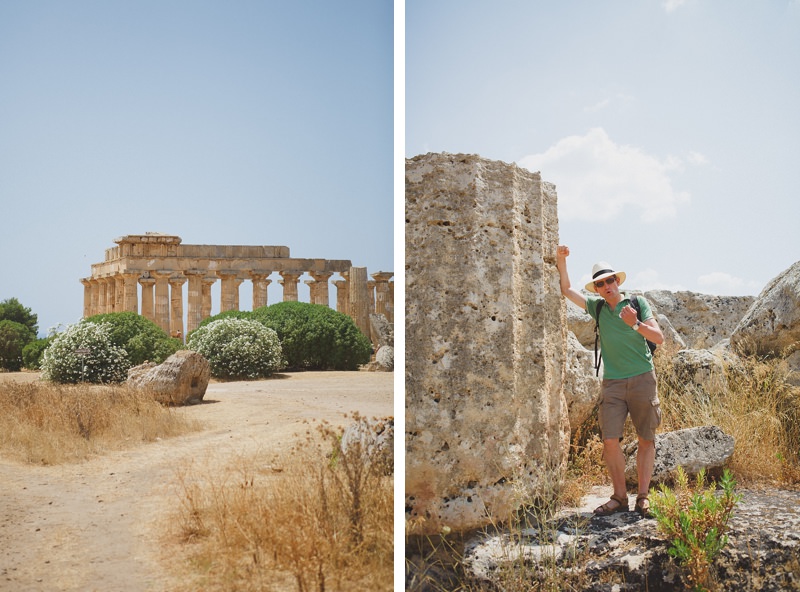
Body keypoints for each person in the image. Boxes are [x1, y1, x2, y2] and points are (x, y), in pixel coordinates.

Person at [556, 245, 664, 517]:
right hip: (613, 383)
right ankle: (618, 497)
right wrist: (561, 260)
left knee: (646, 438)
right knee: (610, 440)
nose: (606, 286)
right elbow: (567, 290)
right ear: (597, 288)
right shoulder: (598, 307)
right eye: (600, 283)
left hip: (642, 379)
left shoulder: (638, 304)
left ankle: (642, 497)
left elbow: (659, 338)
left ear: (618, 281)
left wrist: (635, 324)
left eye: (609, 280)